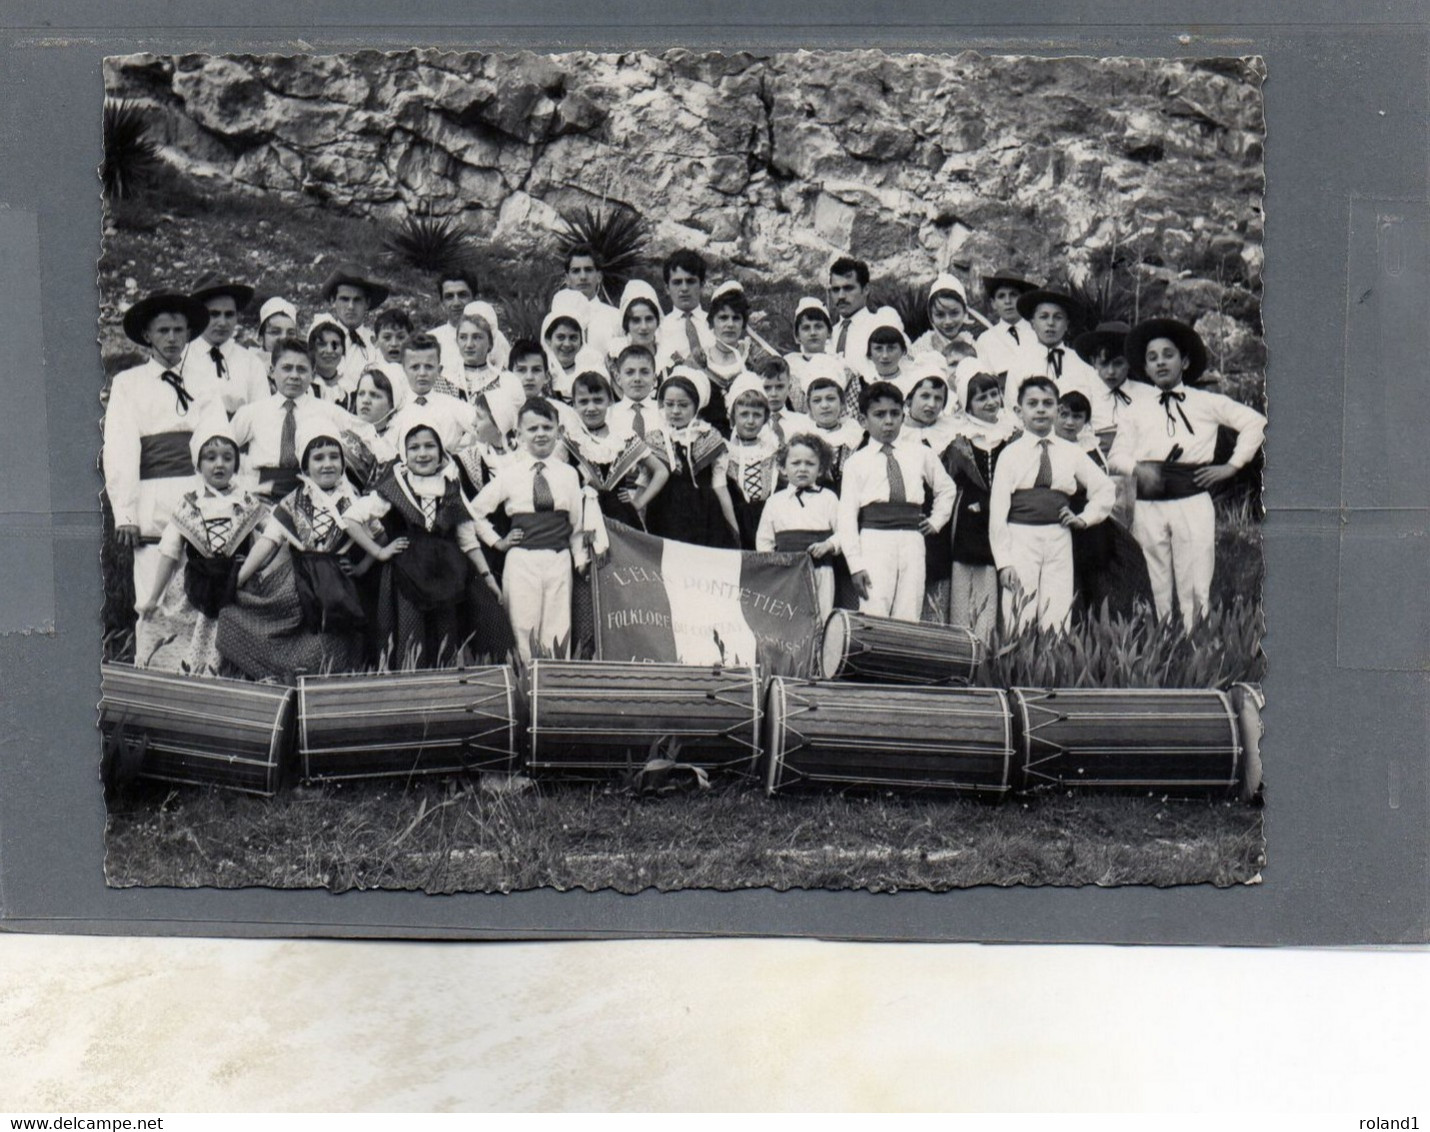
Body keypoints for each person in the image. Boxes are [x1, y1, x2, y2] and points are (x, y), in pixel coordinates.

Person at [1107, 317, 1266, 624]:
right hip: (1149, 502)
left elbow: (1255, 423)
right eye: (1152, 358)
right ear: (1146, 368)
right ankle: (1165, 635)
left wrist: (1231, 466)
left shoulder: (1205, 402)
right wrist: (1137, 468)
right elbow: (1116, 456)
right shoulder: (1135, 409)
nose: (1160, 363)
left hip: (1191, 498)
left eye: (1168, 355)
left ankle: (1196, 638)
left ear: (1185, 361)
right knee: (1157, 574)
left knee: (1195, 574)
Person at [103, 290, 223, 667]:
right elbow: (121, 447)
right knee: (152, 597)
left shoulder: (204, 383)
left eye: (179, 330)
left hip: (197, 497)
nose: (172, 338)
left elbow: (217, 441)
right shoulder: (129, 383)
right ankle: (154, 676)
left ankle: (200, 673)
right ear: (148, 336)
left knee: (198, 596)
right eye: (164, 330)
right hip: (154, 499)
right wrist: (125, 512)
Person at [343, 419, 508, 669]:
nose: (422, 454)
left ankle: (445, 687)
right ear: (404, 454)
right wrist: (379, 551)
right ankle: (412, 688)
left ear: (441, 452)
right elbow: (351, 518)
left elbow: (467, 539)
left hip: (446, 573)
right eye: (414, 448)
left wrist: (487, 576)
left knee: (446, 629)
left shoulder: (451, 488)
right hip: (406, 574)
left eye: (430, 446)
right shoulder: (393, 488)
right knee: (411, 631)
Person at [219, 425, 369, 681]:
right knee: (234, 617)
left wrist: (361, 567)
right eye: (318, 458)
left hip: (336, 586)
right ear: (305, 467)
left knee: (330, 638)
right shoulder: (292, 502)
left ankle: (319, 686)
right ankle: (277, 677)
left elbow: (377, 538)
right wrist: (238, 580)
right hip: (295, 582)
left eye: (334, 457)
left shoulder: (354, 503)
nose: (327, 464)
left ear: (343, 465)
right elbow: (268, 542)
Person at [469, 398, 606, 665]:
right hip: (522, 560)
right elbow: (474, 511)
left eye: (547, 427)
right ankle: (522, 688)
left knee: (557, 626)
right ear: (518, 435)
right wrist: (498, 541)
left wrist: (579, 560)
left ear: (559, 431)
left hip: (558, 558)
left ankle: (551, 687)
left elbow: (576, 525)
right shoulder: (510, 474)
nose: (541, 434)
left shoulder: (568, 474)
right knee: (523, 623)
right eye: (532, 429)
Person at [136, 424, 267, 676]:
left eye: (227, 458)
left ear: (236, 465)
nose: (219, 464)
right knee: (185, 638)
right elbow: (169, 552)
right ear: (198, 465)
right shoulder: (189, 504)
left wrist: (255, 563)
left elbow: (273, 534)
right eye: (211, 458)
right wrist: (154, 597)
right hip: (194, 586)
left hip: (236, 583)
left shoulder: (247, 502)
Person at [990, 376, 1116, 632]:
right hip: (1020, 538)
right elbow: (998, 512)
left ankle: (1051, 667)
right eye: (1032, 403)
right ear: (1018, 411)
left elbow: (1104, 488)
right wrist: (1004, 561)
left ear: (1057, 410)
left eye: (1047, 403)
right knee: (1019, 610)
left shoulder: (1071, 452)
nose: (1040, 409)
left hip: (1058, 536)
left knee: (1056, 611)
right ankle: (1016, 668)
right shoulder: (1010, 454)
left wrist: (1084, 517)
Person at [836, 380, 956, 622]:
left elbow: (947, 489)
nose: (888, 421)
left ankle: (906, 658)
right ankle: (876, 660)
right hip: (874, 541)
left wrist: (935, 521)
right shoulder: (856, 462)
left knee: (909, 608)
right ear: (863, 420)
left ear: (903, 415)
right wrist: (856, 564)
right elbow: (847, 517)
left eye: (894, 414)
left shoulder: (920, 453)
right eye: (879, 415)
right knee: (874, 608)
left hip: (912, 540)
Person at [228, 337, 372, 505]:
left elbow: (368, 435)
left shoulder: (327, 411)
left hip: (314, 494)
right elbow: (223, 445)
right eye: (287, 368)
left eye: (302, 369)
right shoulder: (252, 412)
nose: (294, 376)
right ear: (272, 371)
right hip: (262, 493)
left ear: (313, 374)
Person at [1054, 390, 1151, 620]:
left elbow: (1103, 488)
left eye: (1077, 417)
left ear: (1086, 421)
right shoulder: (1049, 445)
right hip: (1061, 516)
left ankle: (1110, 631)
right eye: (1064, 415)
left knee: (1114, 569)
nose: (1069, 422)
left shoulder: (1090, 448)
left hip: (1091, 519)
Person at [945, 372, 1020, 641]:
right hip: (969, 517)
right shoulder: (959, 440)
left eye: (993, 394)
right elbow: (948, 480)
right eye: (980, 398)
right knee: (969, 573)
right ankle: (966, 640)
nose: (990, 402)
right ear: (967, 405)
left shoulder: (1013, 435)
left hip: (1006, 512)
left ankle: (995, 643)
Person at [642, 369, 740, 549]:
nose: (675, 411)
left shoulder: (709, 437)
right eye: (669, 404)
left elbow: (719, 485)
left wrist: (733, 528)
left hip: (703, 516)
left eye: (683, 405)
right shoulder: (655, 439)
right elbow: (644, 482)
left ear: (697, 405)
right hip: (664, 513)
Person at [564, 370, 668, 530]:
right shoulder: (570, 439)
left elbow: (661, 471)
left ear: (610, 402)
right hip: (582, 517)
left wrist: (639, 502)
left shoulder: (622, 437)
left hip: (621, 517)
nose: (591, 408)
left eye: (598, 400)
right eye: (583, 402)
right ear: (574, 404)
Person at [756, 433, 842, 620]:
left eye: (810, 464)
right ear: (783, 468)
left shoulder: (828, 498)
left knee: (821, 617)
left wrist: (828, 545)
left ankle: (818, 649)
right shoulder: (775, 502)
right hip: (787, 573)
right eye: (795, 463)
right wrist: (774, 567)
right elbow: (764, 541)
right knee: (788, 619)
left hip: (821, 571)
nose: (802, 469)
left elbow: (843, 533)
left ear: (820, 469)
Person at [179, 276, 270, 415]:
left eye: (229, 315)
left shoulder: (251, 363)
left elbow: (262, 416)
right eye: (214, 314)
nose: (222, 322)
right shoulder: (180, 358)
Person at [385, 333, 478, 455]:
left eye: (429, 367)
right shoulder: (395, 409)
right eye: (415, 367)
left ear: (439, 370)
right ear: (404, 370)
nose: (422, 373)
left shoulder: (453, 406)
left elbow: (486, 427)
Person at [1071, 319, 1155, 454]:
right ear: (1093, 362)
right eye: (1104, 364)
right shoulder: (1083, 395)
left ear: (1129, 362)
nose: (1111, 371)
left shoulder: (1148, 395)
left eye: (1118, 364)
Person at [1006, 287, 1099, 404]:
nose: (1050, 323)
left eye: (1058, 317)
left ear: (1067, 324)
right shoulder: (1019, 364)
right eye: (1044, 317)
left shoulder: (1082, 364)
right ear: (1033, 323)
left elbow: (1095, 410)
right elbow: (1012, 413)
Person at [722, 374, 782, 549]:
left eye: (756, 415)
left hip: (769, 523)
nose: (750, 421)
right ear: (733, 416)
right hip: (736, 524)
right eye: (744, 414)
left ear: (765, 417)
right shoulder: (724, 451)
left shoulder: (773, 451)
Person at [428, 268, 512, 377]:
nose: (456, 303)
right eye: (449, 297)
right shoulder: (432, 339)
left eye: (462, 295)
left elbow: (507, 377)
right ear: (442, 303)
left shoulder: (495, 337)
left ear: (475, 298)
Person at [320, 263, 389, 389]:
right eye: (344, 299)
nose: (351, 306)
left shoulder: (375, 344)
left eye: (357, 300)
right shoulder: (319, 339)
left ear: (367, 303)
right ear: (333, 301)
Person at [802, 361, 865, 490]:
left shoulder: (856, 436)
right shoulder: (803, 437)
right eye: (817, 400)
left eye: (830, 398)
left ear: (842, 404)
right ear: (809, 407)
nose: (824, 405)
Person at [655, 249, 715, 371]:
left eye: (690, 281)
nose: (684, 288)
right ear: (667, 288)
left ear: (702, 285)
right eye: (677, 282)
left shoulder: (715, 324)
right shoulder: (659, 329)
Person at [541, 291, 606, 401]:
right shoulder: (540, 369)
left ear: (581, 341)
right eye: (560, 337)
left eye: (573, 337)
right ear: (548, 340)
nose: (567, 344)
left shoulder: (594, 365)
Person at [974, 267, 1037, 379]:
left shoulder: (1037, 331)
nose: (1008, 301)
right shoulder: (985, 341)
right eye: (1001, 296)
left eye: (1013, 295)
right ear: (993, 303)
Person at [911, 273, 982, 369]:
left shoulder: (974, 344)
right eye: (940, 315)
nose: (948, 321)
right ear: (930, 315)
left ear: (964, 312)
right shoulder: (920, 349)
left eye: (954, 313)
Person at [561, 244, 622, 355]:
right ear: (567, 279)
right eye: (576, 271)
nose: (583, 277)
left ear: (599, 276)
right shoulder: (558, 317)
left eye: (588, 270)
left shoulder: (616, 318)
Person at [783, 296, 834, 410]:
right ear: (797, 336)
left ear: (829, 332)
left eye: (818, 326)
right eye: (806, 328)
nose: (813, 333)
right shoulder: (788, 365)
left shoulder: (840, 365)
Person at [827, 255, 879, 363]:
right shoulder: (828, 335)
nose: (841, 296)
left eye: (848, 288)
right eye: (836, 290)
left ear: (866, 289)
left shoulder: (879, 327)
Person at [606, 280, 663, 374]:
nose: (644, 327)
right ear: (626, 324)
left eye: (649, 319)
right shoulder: (614, 355)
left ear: (657, 322)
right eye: (636, 320)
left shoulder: (668, 354)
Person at [606, 343, 660, 440]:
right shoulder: (609, 414)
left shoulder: (663, 411)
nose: (637, 378)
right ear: (618, 378)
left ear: (654, 379)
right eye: (629, 372)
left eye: (644, 372)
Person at [758, 357, 814, 445]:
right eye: (767, 388)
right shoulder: (752, 424)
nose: (773, 394)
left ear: (789, 387)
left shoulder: (803, 423)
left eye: (780, 387)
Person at [307, 315, 354, 406]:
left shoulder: (350, 387)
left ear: (343, 349)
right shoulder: (305, 386)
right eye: (322, 344)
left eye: (335, 344)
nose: (329, 351)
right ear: (312, 349)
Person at [251, 297, 299, 372]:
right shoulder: (249, 367)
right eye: (275, 332)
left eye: (291, 333)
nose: (284, 337)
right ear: (261, 338)